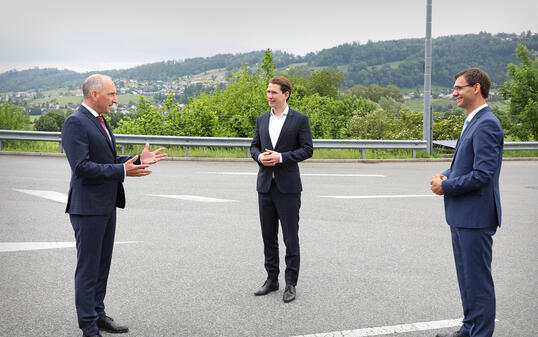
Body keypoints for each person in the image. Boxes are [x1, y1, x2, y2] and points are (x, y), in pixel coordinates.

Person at [62, 74, 167, 337]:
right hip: (87, 208)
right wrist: (122, 170)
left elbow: (106, 158)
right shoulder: (75, 122)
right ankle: (88, 326)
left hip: (106, 205)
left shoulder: (99, 120)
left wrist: (136, 159)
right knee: (88, 269)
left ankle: (98, 315)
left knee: (101, 266)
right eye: (111, 94)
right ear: (94, 94)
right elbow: (82, 167)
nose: (116, 99)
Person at [430, 68, 503, 337]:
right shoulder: (472, 121)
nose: (454, 93)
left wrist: (446, 186)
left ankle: (480, 333)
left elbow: (484, 174)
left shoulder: (487, 123)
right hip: (462, 215)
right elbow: (466, 165)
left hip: (476, 216)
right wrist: (445, 174)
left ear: (476, 88)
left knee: (478, 281)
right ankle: (469, 328)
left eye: (459, 87)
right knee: (467, 279)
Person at [250, 76, 313, 303]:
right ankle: (272, 279)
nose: (269, 96)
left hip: (288, 188)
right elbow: (253, 146)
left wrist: (281, 157)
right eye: (267, 92)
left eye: (273, 92)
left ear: (285, 94)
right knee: (268, 236)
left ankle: (291, 284)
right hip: (265, 186)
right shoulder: (261, 119)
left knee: (290, 237)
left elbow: (307, 150)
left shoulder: (299, 120)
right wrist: (259, 156)